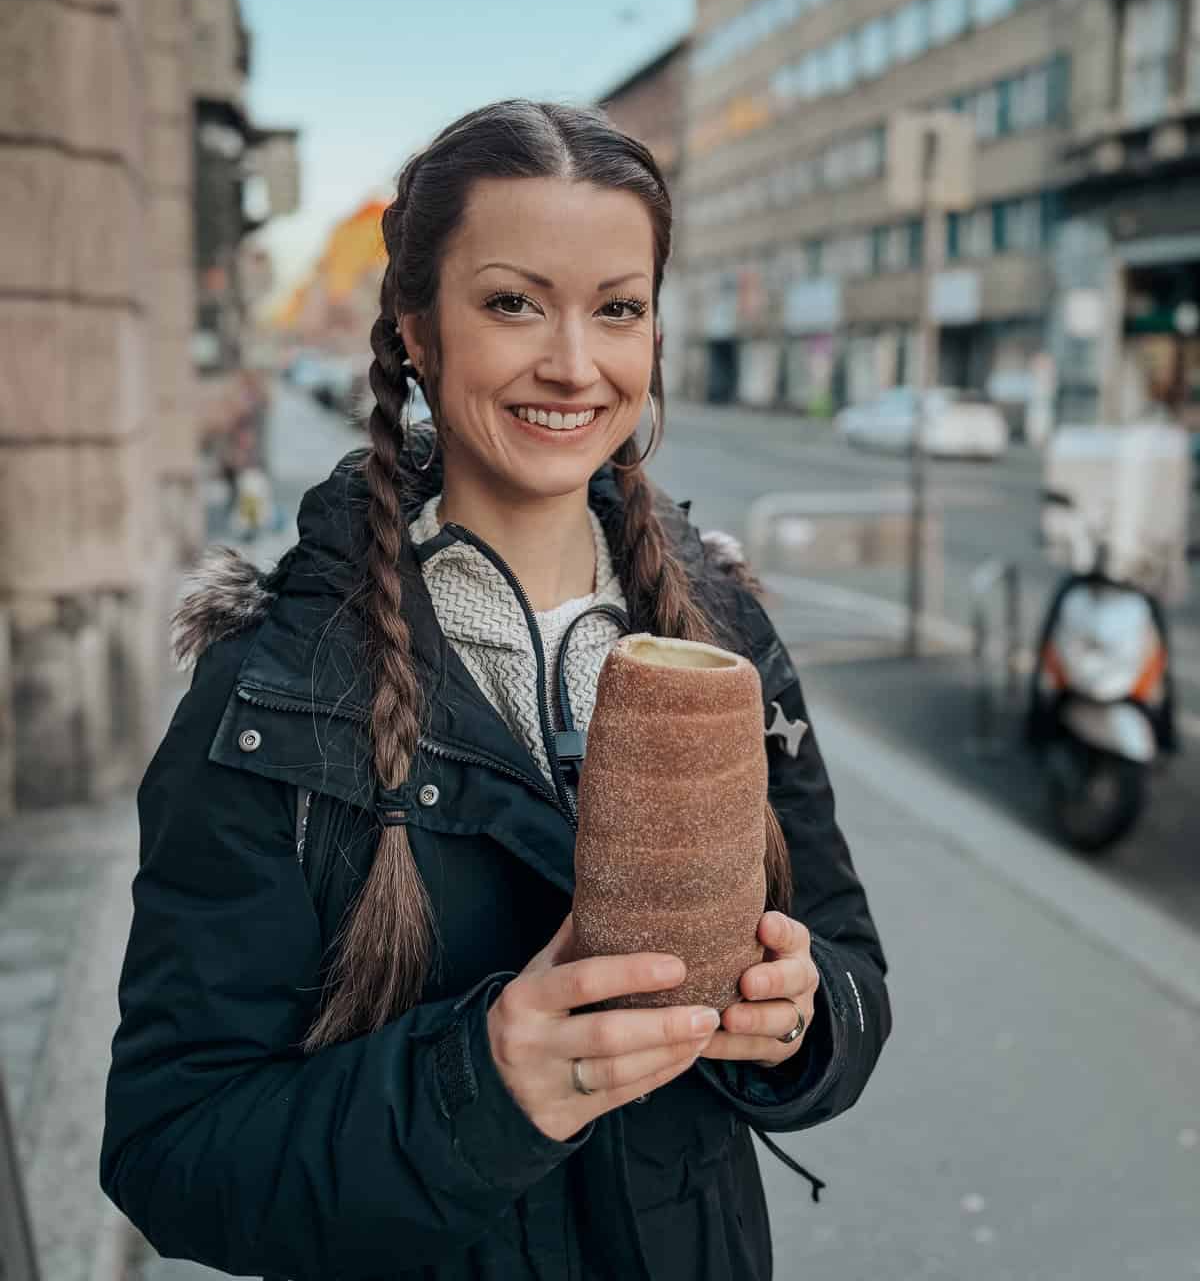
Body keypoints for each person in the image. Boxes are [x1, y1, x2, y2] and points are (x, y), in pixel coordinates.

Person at [101, 101, 891, 1281]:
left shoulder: (725, 634)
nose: (574, 362)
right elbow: (173, 1146)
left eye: (619, 309)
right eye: (514, 302)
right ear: (418, 329)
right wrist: (488, 1084)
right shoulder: (277, 683)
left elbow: (851, 970)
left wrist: (798, 1017)